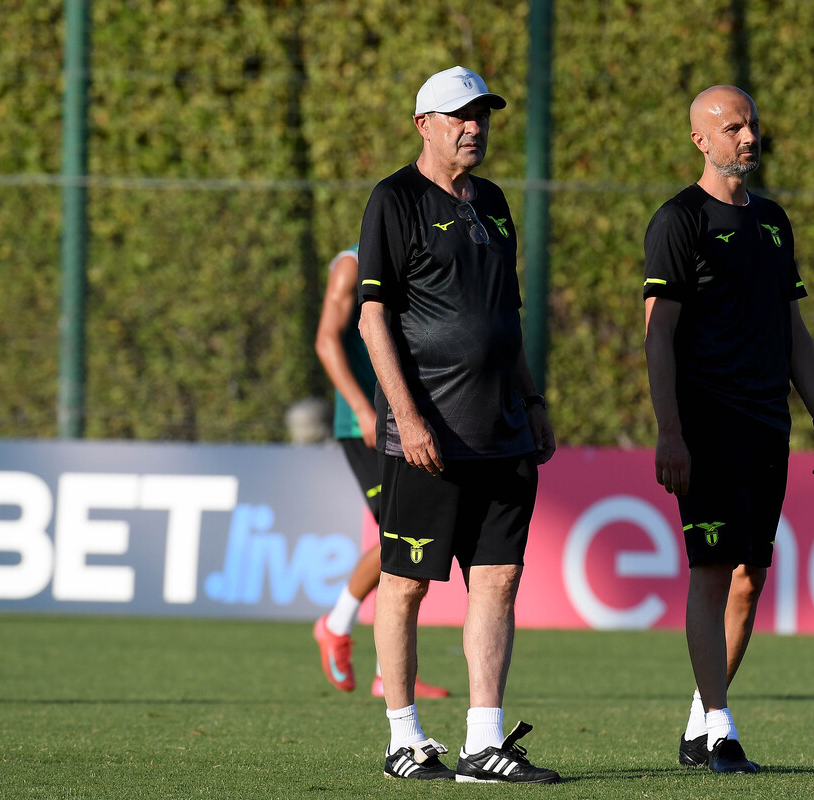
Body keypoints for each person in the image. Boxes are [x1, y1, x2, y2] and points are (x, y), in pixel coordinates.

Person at [356, 65, 559, 784]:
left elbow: (506, 319)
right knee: (406, 584)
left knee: (498, 583)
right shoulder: (394, 199)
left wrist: (533, 402)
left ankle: (483, 742)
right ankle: (403, 740)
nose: (474, 127)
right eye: (459, 116)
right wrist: (407, 417)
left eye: (483, 115)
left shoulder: (496, 203)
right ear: (424, 125)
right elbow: (372, 314)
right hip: (429, 436)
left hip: (503, 430)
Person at [642, 85, 814, 775]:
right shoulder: (678, 221)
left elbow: (794, 329)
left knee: (750, 577)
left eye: (752, 123)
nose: (748, 136)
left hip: (766, 427)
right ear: (702, 139)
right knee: (708, 571)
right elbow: (657, 334)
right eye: (732, 127)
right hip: (705, 424)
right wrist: (669, 430)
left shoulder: (775, 222)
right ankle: (723, 729)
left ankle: (702, 724)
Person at [311, 245, 450, 700]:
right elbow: (326, 339)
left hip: (405, 417)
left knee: (410, 542)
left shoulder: (413, 262)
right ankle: (335, 625)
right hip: (365, 425)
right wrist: (358, 407)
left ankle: (385, 672)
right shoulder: (352, 264)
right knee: (401, 534)